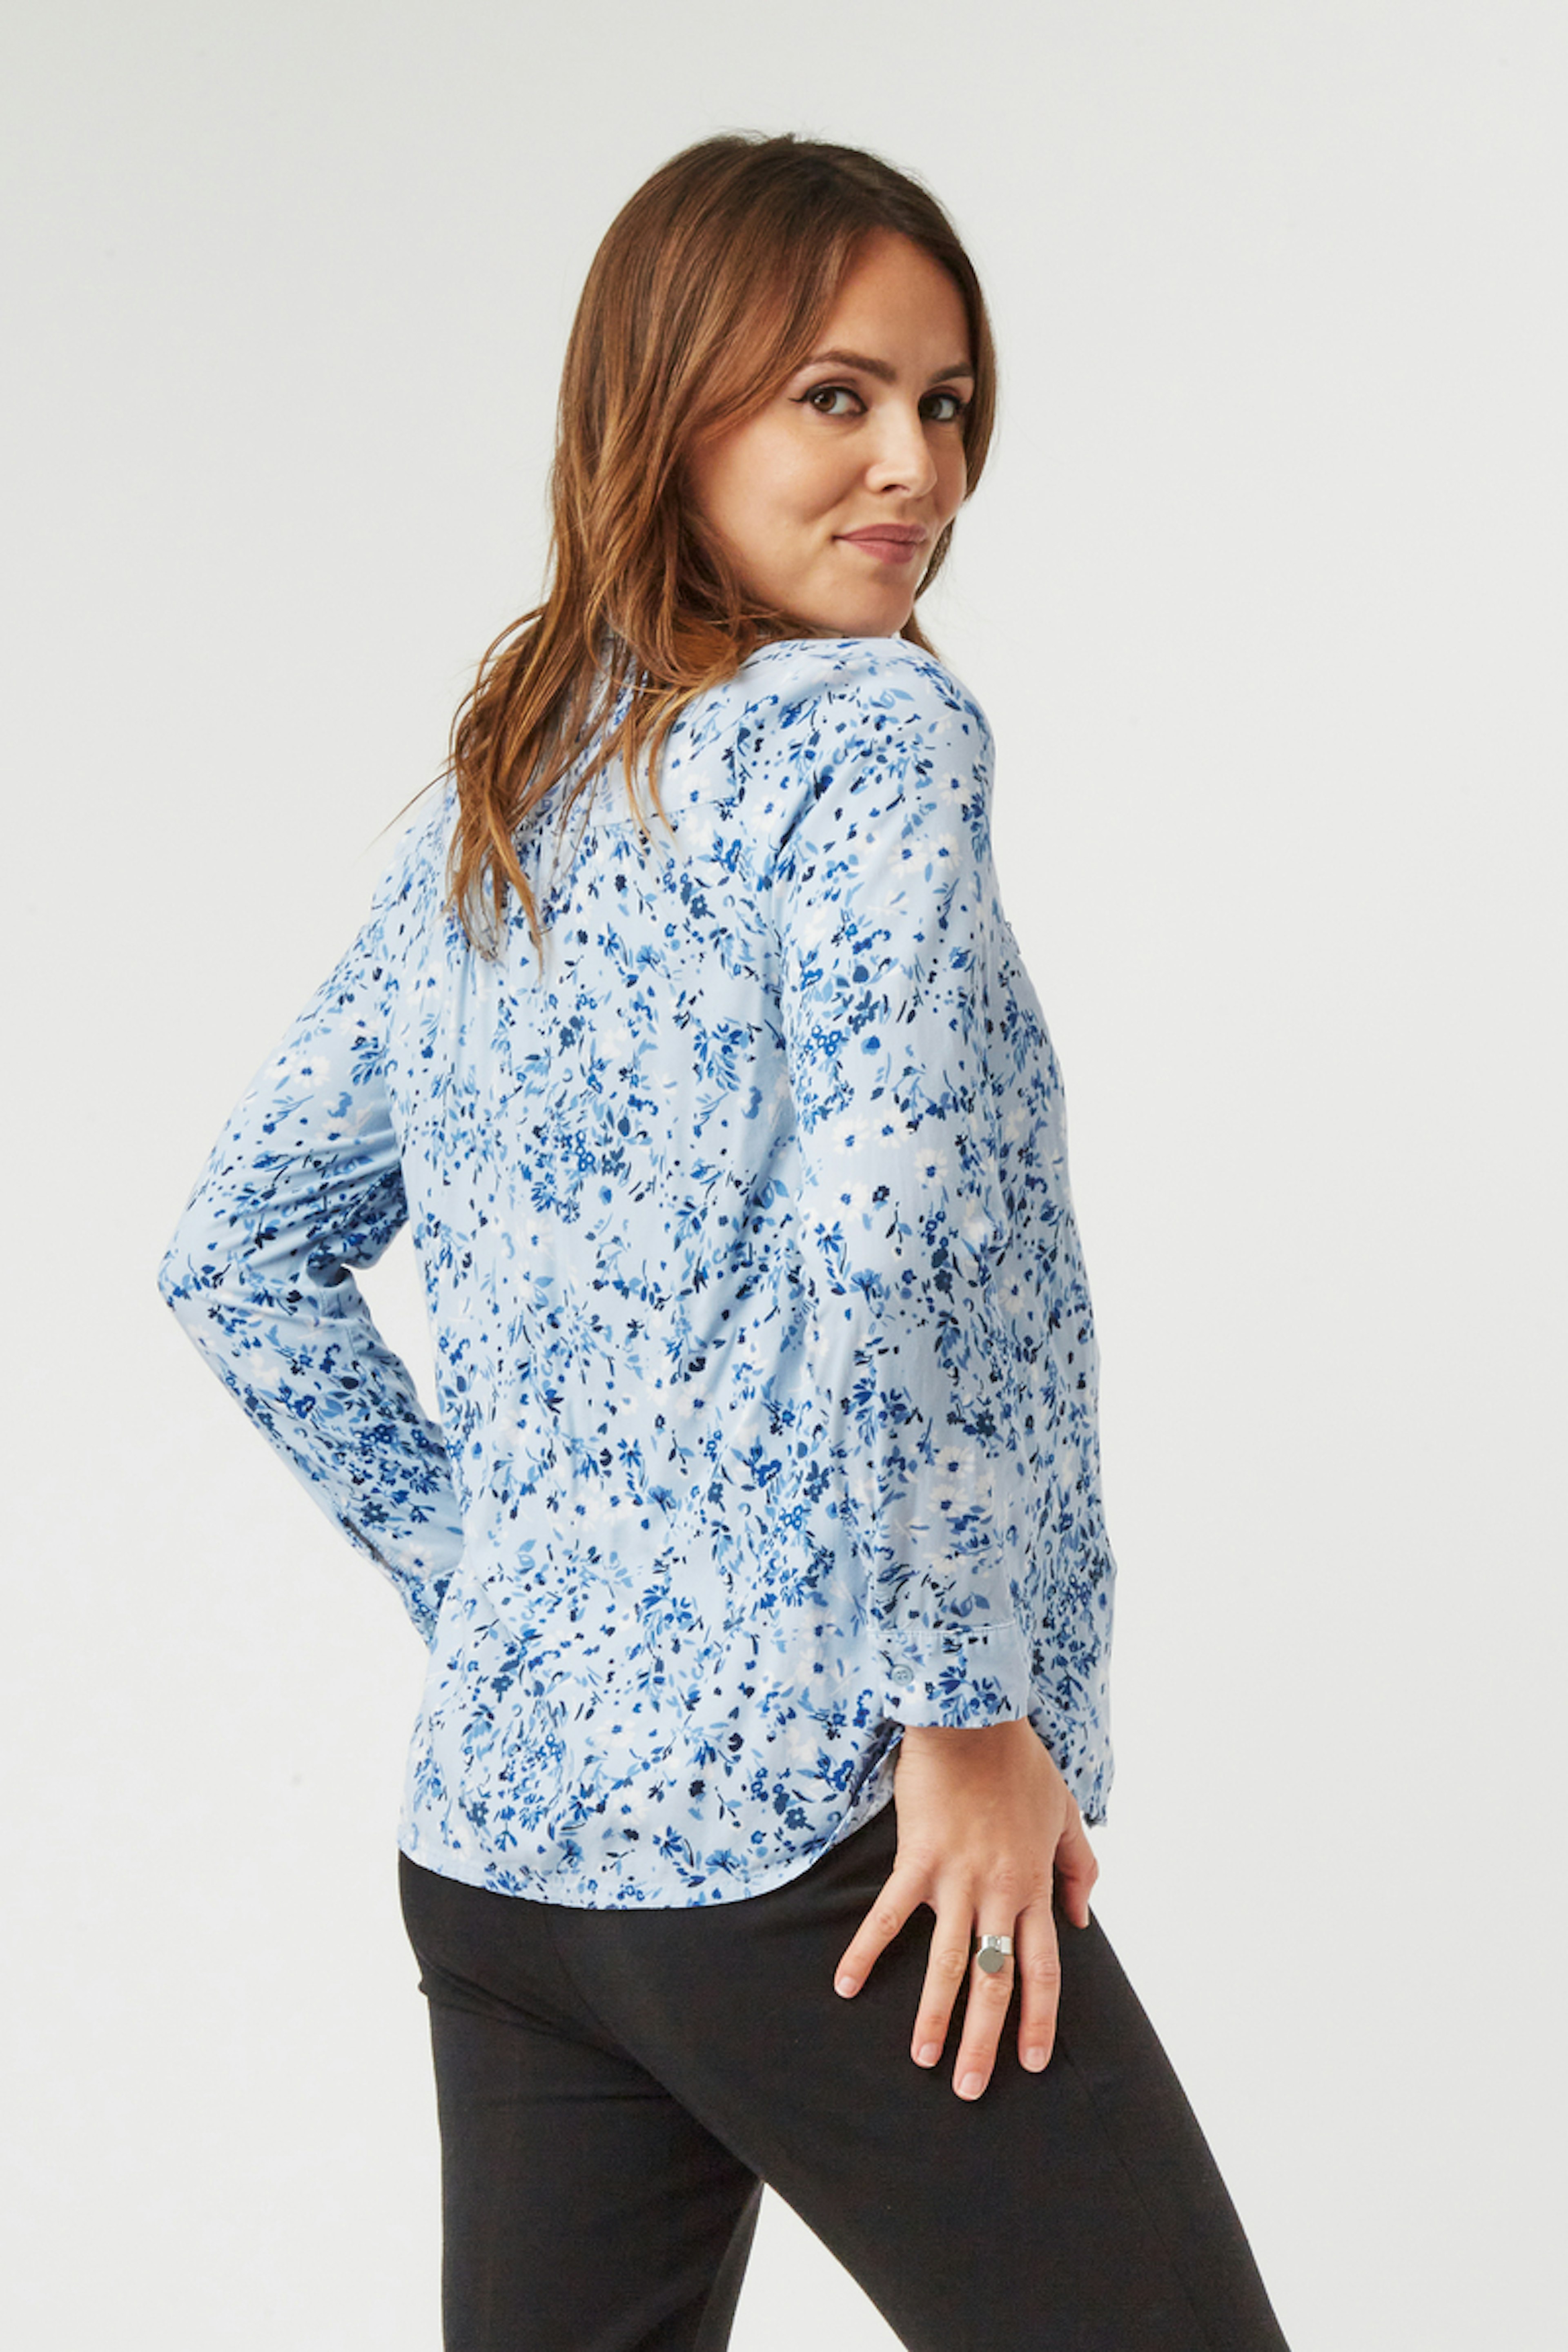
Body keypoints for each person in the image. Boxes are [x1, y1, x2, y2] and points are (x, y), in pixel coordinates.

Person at [158, 134, 1290, 2352]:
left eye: (946, 403)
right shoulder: (873, 741)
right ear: (665, 412)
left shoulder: (513, 791)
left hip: (507, 1855)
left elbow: (237, 1254)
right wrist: (964, 1713)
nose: (915, 468)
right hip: (814, 1841)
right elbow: (889, 1237)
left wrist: (503, 1590)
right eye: (834, 398)